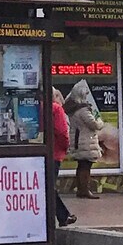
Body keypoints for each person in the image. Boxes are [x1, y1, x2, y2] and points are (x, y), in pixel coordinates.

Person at [65, 79, 104, 200]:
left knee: (82, 165)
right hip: (85, 140)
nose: (87, 96)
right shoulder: (82, 110)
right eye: (86, 94)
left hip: (79, 140)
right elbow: (94, 125)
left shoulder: (73, 109)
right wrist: (100, 122)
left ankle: (82, 189)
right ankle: (84, 190)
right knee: (86, 166)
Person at [49, 87, 76, 227]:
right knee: (49, 187)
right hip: (54, 152)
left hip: (37, 152)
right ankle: (63, 215)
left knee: (46, 186)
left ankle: (63, 216)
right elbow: (62, 132)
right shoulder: (56, 109)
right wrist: (65, 147)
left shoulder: (36, 106)